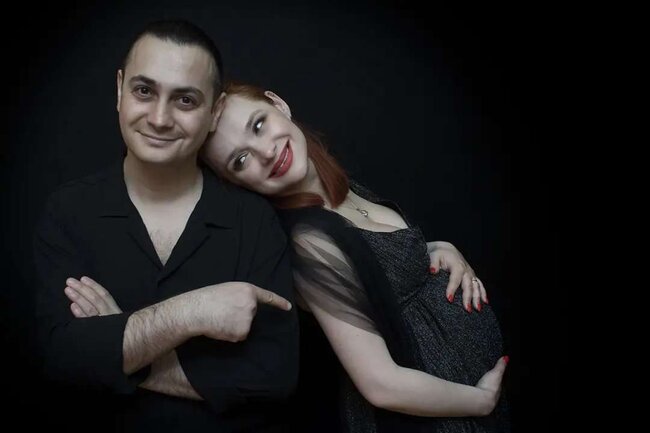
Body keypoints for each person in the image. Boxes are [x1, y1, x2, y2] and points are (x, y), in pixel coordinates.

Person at [198, 82, 511, 432]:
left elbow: (378, 269)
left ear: (278, 104)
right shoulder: (309, 241)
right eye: (241, 160)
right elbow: (379, 383)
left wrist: (435, 249)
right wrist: (480, 401)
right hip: (438, 419)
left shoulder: (337, 191)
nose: (265, 152)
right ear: (237, 183)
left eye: (258, 125)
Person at [33, 21, 298, 432]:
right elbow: (60, 359)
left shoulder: (254, 219)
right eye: (144, 91)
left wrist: (121, 345)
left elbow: (272, 378)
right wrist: (188, 313)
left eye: (185, 100)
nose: (159, 118)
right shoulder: (68, 211)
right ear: (119, 89)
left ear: (215, 113)